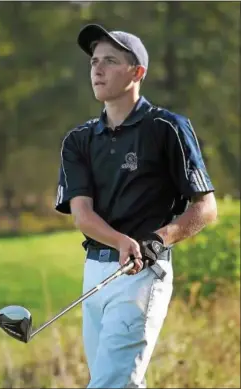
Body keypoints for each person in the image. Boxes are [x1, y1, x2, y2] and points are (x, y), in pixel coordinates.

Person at [55, 24, 217, 389]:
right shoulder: (79, 140)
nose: (97, 69)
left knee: (108, 384)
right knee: (118, 382)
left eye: (110, 61)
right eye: (94, 61)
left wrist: (158, 238)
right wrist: (118, 241)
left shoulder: (168, 128)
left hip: (142, 276)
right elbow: (82, 214)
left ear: (137, 72)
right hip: (95, 276)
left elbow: (205, 207)